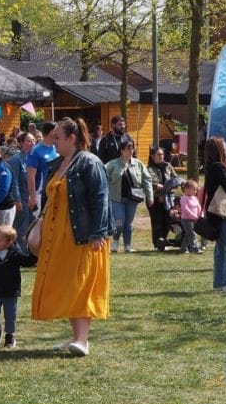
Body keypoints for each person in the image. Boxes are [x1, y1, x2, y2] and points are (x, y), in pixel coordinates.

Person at [30, 116, 113, 356]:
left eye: (57, 137)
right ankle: (76, 336)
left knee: (81, 284)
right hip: (58, 235)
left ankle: (82, 340)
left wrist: (97, 233)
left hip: (82, 235)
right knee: (68, 285)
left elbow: (101, 198)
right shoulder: (58, 163)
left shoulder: (90, 162)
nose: (52, 141)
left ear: (72, 138)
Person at [104, 137, 153, 253]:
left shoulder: (138, 164)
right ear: (122, 150)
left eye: (132, 148)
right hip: (116, 198)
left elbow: (147, 179)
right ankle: (115, 241)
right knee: (119, 222)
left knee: (129, 223)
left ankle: (128, 246)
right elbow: (102, 176)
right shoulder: (112, 164)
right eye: (128, 148)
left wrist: (150, 196)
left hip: (133, 199)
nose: (131, 151)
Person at [203, 136, 226, 291]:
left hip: (215, 213)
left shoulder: (210, 167)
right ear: (219, 149)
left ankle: (218, 284)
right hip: (223, 212)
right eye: (224, 145)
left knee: (220, 249)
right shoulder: (218, 167)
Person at [147, 145, 180, 251]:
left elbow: (176, 178)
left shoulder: (168, 166)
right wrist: (156, 185)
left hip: (168, 199)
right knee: (157, 221)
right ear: (153, 156)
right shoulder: (149, 168)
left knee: (167, 220)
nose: (161, 156)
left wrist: (175, 184)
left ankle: (163, 242)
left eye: (162, 154)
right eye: (159, 155)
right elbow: (147, 182)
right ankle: (158, 244)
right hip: (155, 199)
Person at [9, 131, 34, 252]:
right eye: (29, 141)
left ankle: (31, 254)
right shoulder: (16, 159)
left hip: (32, 199)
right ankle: (21, 253)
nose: (32, 143)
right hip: (22, 199)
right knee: (21, 229)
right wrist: (17, 199)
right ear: (21, 143)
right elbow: (14, 181)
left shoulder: (33, 159)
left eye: (33, 140)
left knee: (32, 228)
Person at [26, 121, 58, 212]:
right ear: (52, 132)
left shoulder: (57, 148)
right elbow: (30, 175)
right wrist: (33, 197)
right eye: (57, 130)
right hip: (41, 193)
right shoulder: (35, 150)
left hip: (55, 191)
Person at [174, 179, 202, 254]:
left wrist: (199, 215)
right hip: (186, 220)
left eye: (194, 189)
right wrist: (194, 216)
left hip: (195, 219)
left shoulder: (195, 198)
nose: (192, 191)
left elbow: (198, 207)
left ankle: (183, 249)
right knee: (192, 234)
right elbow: (185, 209)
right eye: (189, 189)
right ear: (185, 190)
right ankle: (195, 249)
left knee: (188, 234)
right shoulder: (183, 198)